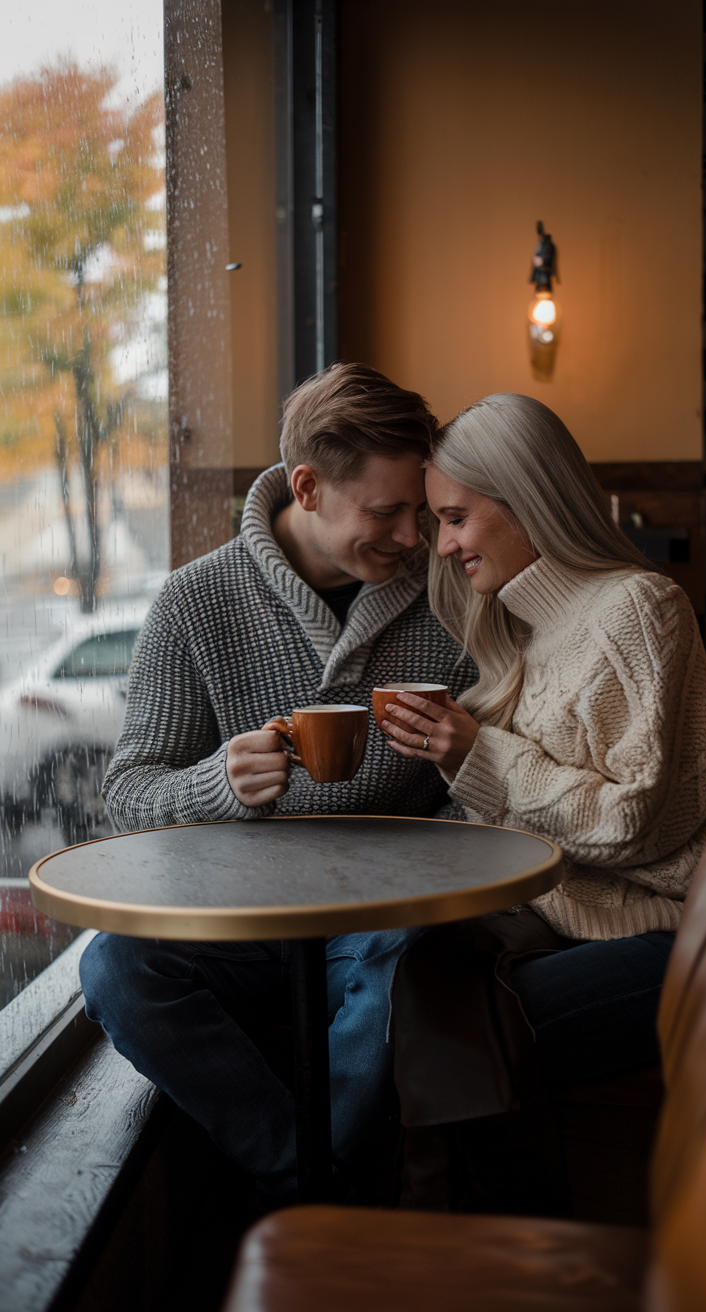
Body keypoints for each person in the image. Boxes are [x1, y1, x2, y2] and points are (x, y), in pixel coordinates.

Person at [79, 362, 476, 1213]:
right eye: (387, 512)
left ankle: (300, 1213)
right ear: (307, 486)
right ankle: (313, 1189)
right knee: (115, 966)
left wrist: (461, 771)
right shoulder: (196, 601)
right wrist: (217, 782)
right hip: (243, 919)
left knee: (406, 960)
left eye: (422, 509)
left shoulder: (449, 594)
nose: (415, 537)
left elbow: (488, 780)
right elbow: (129, 792)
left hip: (387, 915)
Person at [381, 392, 706, 1208]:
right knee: (419, 982)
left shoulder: (638, 609)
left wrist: (484, 753)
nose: (443, 545)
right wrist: (459, 761)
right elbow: (530, 827)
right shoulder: (524, 634)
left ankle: (483, 1249)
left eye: (457, 518)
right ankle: (474, 1243)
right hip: (566, 924)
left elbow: (637, 822)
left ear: (525, 495)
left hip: (678, 935)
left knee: (466, 1030)